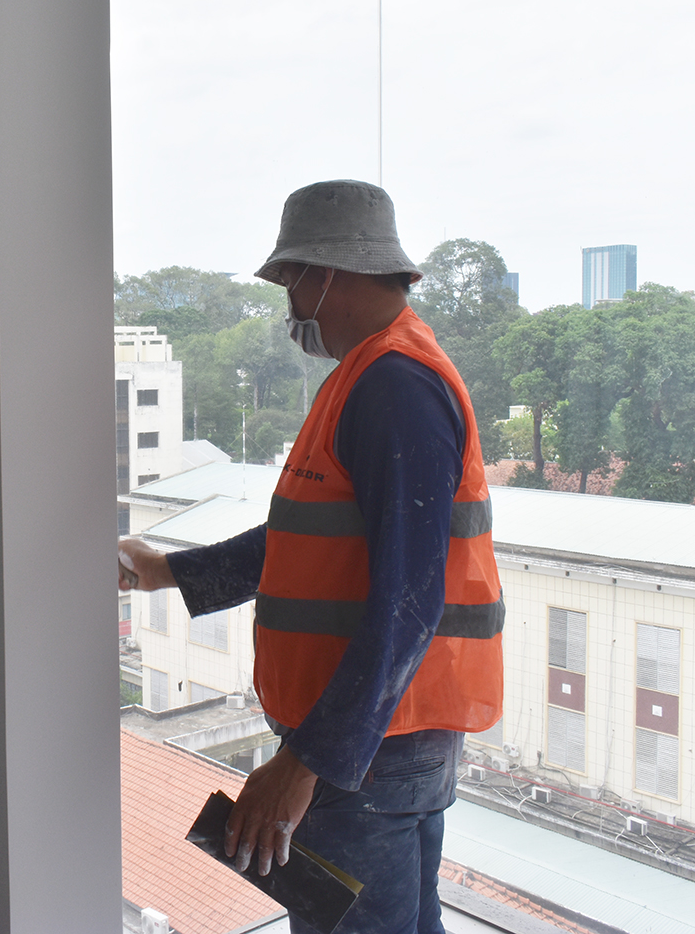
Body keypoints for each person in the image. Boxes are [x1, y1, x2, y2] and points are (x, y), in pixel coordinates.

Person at [118, 180, 504, 934]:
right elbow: (304, 542)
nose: (290, 305)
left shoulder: (396, 387)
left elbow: (408, 602)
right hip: (377, 740)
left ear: (329, 274)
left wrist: (307, 764)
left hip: (370, 750)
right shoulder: (366, 375)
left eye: (292, 281)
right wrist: (168, 571)